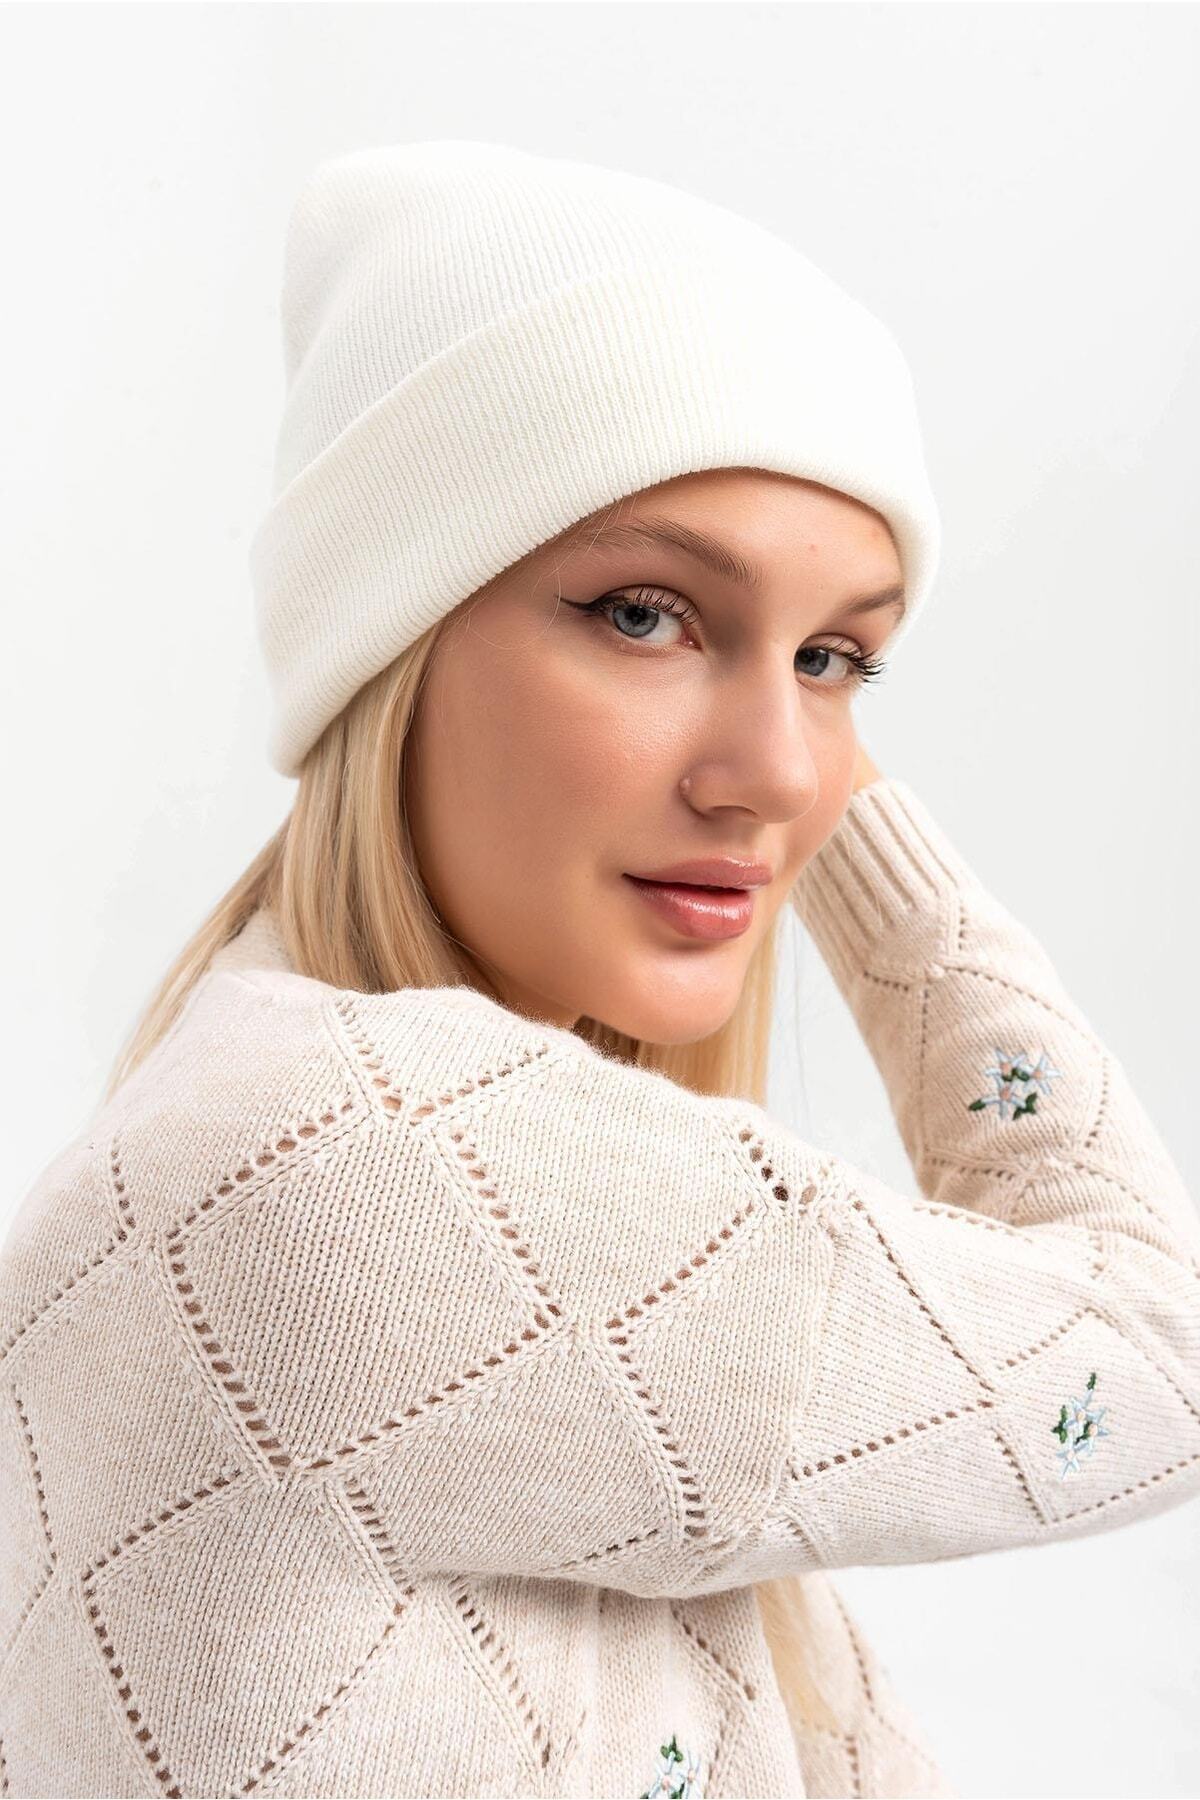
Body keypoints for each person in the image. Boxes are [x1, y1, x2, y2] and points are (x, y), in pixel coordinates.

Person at [0, 142, 1196, 1800]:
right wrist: (866, 848)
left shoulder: (247, 1126)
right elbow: (1149, 1357)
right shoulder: (365, 1169)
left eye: (835, 658)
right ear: (386, 643)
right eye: (646, 613)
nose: (782, 772)